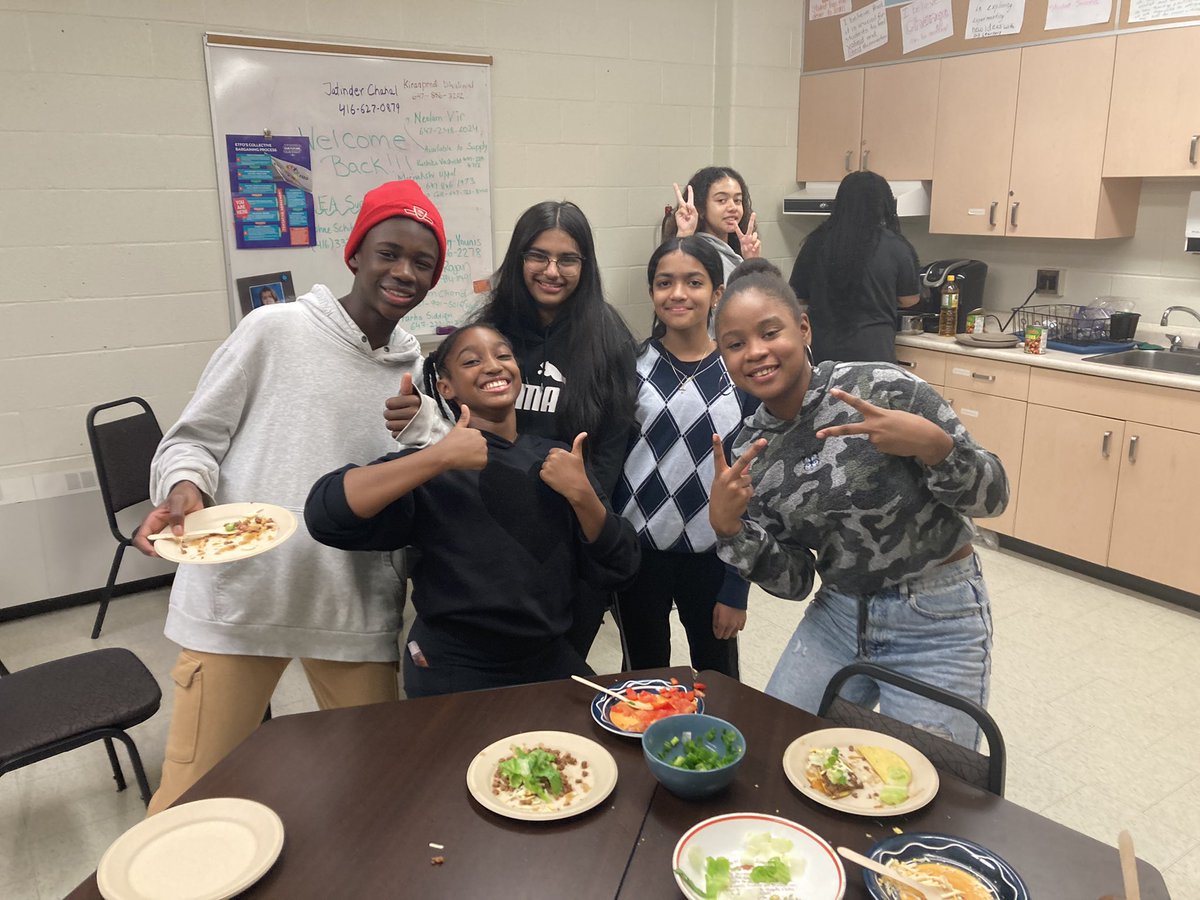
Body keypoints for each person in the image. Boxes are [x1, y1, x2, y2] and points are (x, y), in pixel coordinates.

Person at [132, 179, 448, 814]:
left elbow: (432, 477)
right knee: (192, 797)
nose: (404, 272)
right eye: (389, 252)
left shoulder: (415, 371)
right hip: (242, 595)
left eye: (422, 262)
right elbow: (192, 438)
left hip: (351, 602)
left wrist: (425, 427)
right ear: (355, 254)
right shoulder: (273, 330)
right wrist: (185, 486)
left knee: (379, 789)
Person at [708, 271, 1008, 748]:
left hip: (936, 616)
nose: (756, 352)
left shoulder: (883, 388)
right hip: (839, 614)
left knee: (936, 783)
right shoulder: (753, 449)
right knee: (774, 746)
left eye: (771, 332)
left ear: (803, 329)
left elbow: (994, 498)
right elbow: (798, 580)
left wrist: (936, 447)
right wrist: (731, 530)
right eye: (735, 343)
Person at [306, 324, 640, 697]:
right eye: (471, 360)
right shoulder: (433, 466)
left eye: (503, 355)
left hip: (547, 657)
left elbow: (620, 565)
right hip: (454, 664)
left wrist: (583, 496)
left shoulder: (557, 458)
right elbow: (326, 514)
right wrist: (440, 455)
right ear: (445, 387)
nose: (493, 366)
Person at [387, 200, 638, 660]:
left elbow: (610, 447)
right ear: (519, 258)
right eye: (538, 255)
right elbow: (449, 422)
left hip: (565, 529)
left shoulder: (609, 338)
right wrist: (418, 416)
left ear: (586, 265)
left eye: (568, 259)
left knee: (556, 668)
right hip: (486, 525)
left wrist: (579, 512)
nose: (552, 271)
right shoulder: (488, 330)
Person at [614, 237, 758, 678]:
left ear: (717, 293)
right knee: (642, 676)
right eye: (664, 282)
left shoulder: (742, 372)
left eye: (693, 282)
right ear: (652, 292)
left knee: (717, 676)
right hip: (640, 553)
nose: (678, 294)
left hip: (714, 553)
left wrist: (737, 588)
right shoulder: (628, 367)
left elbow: (756, 483)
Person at [788, 170, 920, 365]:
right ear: (884, 204)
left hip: (822, 352)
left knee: (827, 396)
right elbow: (910, 299)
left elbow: (797, 297)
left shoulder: (816, 242)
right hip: (872, 352)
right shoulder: (895, 246)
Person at [662, 166, 761, 282]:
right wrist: (684, 234)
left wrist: (752, 262)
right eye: (721, 200)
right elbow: (676, 283)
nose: (733, 207)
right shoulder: (696, 252)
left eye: (737, 200)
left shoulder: (737, 250)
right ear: (701, 207)